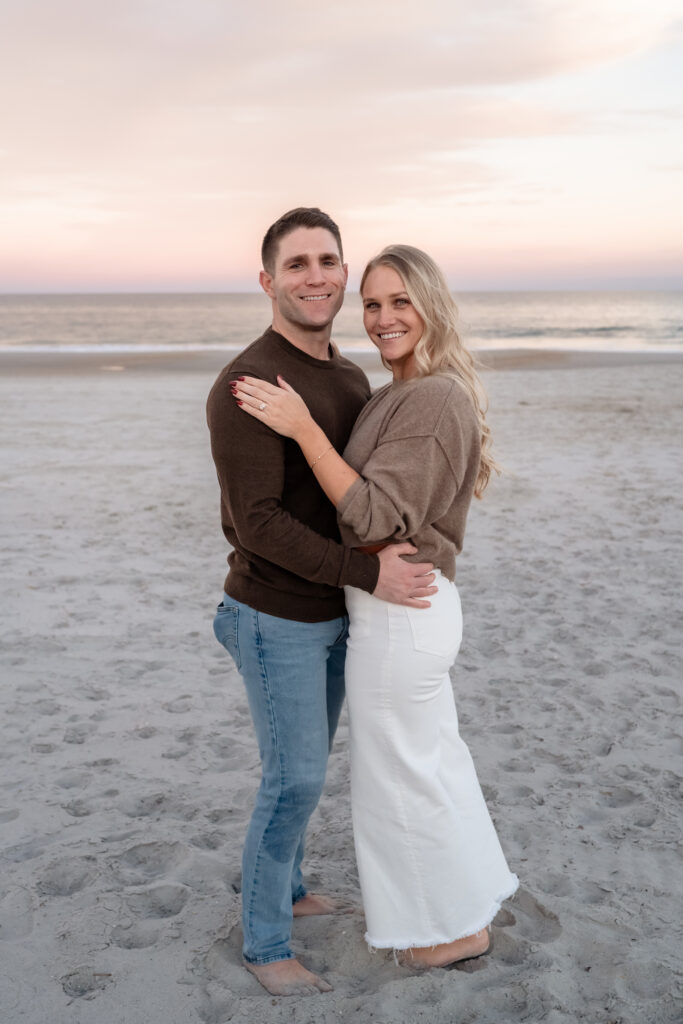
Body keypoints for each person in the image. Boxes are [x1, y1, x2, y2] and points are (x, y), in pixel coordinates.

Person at [232, 243, 519, 968]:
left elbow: (371, 517)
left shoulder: (431, 397)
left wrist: (301, 427)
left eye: (400, 302)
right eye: (373, 303)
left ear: (431, 308)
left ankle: (443, 937)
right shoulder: (395, 391)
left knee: (399, 780)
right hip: (402, 610)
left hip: (403, 613)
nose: (384, 317)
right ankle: (466, 913)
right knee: (430, 768)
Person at [206, 211, 438, 996]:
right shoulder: (245, 383)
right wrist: (368, 575)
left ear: (343, 273)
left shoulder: (346, 378)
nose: (316, 276)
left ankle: (291, 885)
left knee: (300, 769)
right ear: (268, 280)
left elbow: (357, 493)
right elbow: (256, 524)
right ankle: (266, 945)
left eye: (328, 260)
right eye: (296, 263)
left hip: (335, 613)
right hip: (274, 616)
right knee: (294, 779)